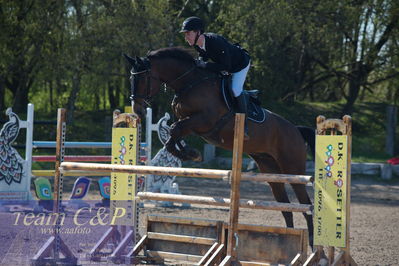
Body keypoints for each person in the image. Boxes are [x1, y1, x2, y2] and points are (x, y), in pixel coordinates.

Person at [180, 16, 251, 140]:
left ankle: (243, 126)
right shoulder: (197, 44)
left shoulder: (215, 41)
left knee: (235, 89)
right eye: (185, 34)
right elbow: (204, 59)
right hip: (225, 66)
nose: (186, 37)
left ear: (198, 32)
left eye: (188, 33)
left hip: (240, 65)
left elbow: (226, 66)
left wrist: (202, 64)